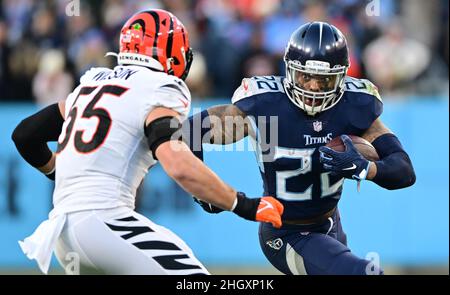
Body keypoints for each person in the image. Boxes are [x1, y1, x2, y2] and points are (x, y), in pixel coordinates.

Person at [11, 9, 283, 275]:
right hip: (104, 223)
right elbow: (178, 164)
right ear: (171, 52)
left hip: (63, 232)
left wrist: (58, 172)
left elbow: (25, 134)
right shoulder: (158, 87)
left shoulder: (91, 84)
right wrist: (244, 205)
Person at [188, 21, 416, 275]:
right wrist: (204, 190)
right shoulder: (265, 107)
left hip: (330, 226)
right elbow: (191, 130)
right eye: (306, 76)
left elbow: (404, 171)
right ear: (289, 70)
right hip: (287, 233)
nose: (313, 88)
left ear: (341, 77)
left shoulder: (355, 106)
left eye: (324, 80)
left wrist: (366, 169)